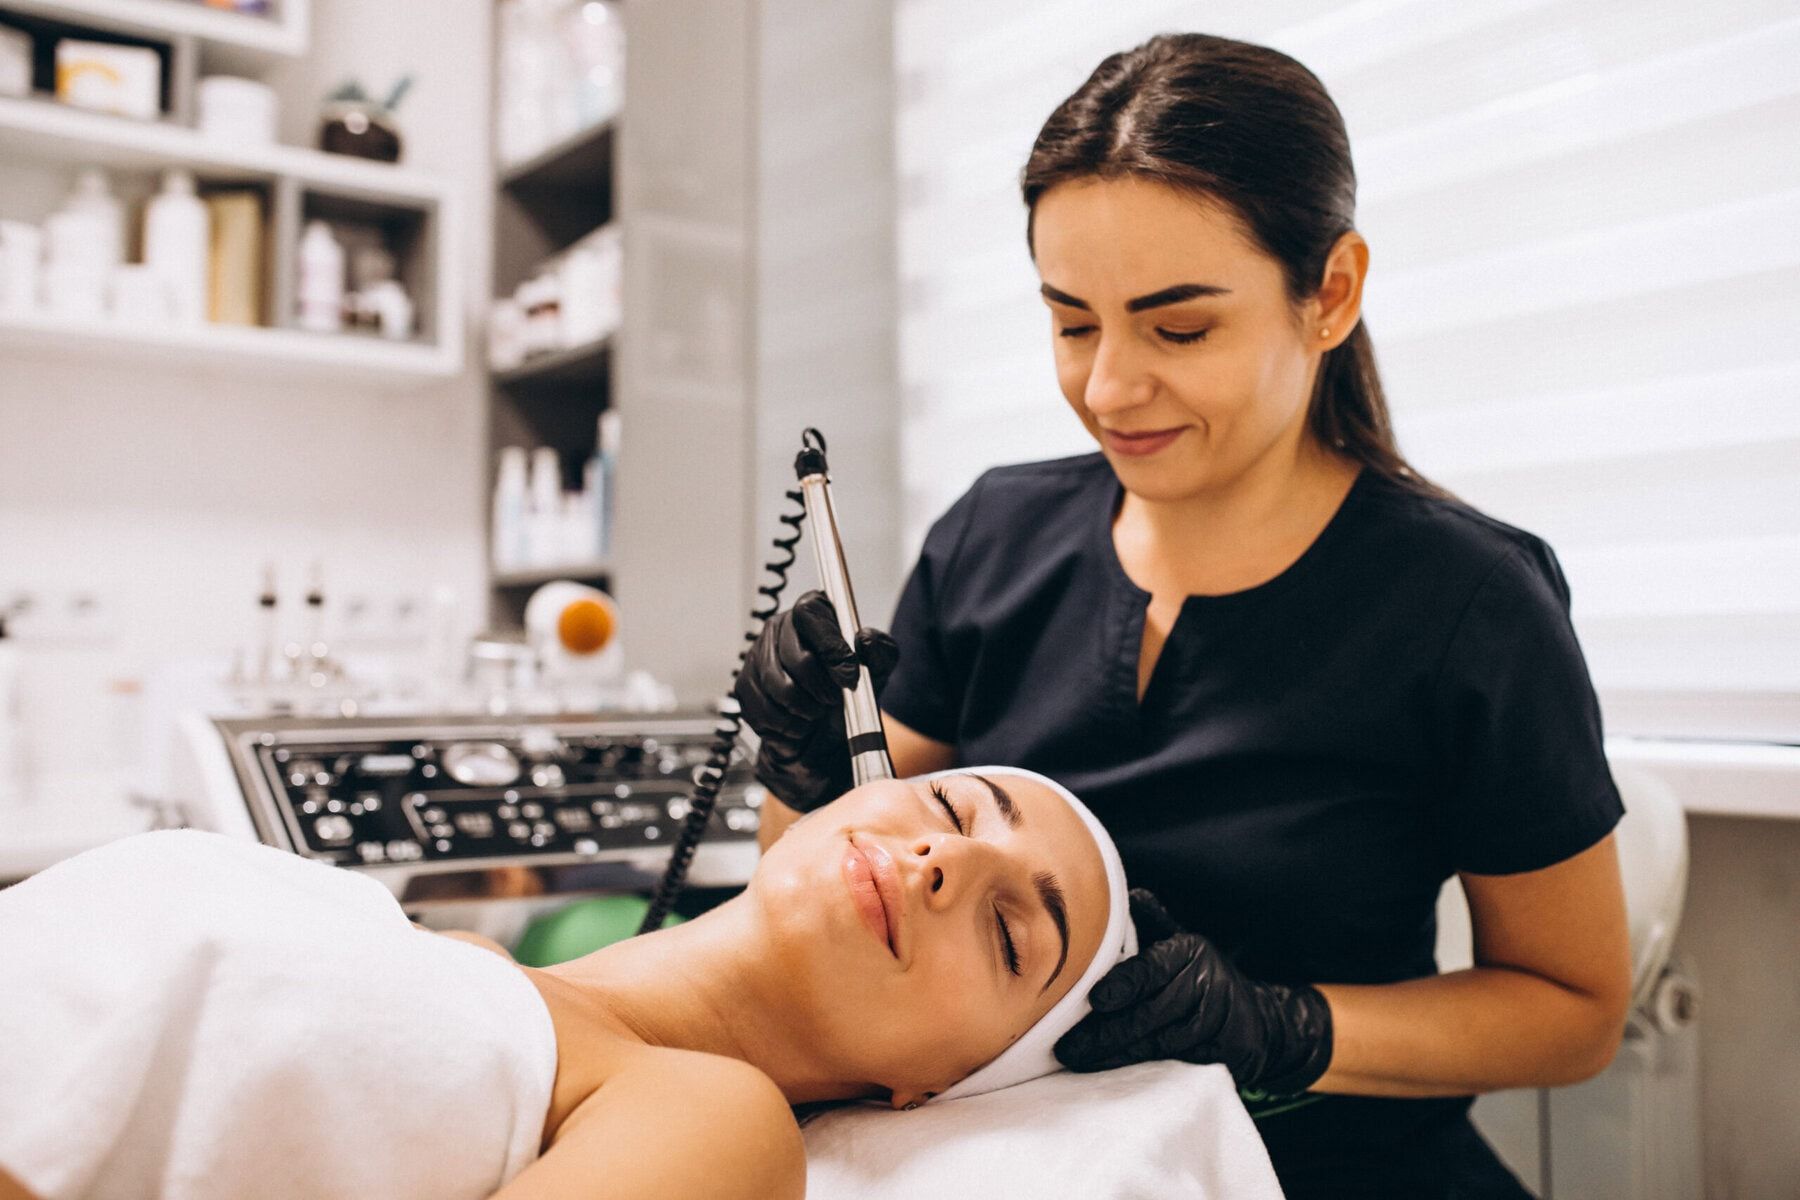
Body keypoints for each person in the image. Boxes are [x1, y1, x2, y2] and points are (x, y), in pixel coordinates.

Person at [734, 31, 1632, 1200]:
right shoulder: (992, 540)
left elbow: (1572, 1014)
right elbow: (836, 928)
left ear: (1332, 294)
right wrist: (802, 776)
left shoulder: (1471, 608)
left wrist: (1284, 1030)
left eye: (1179, 327)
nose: (1108, 388)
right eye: (1071, 322)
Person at [0, 768, 1127, 1200]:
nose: (948, 861)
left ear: (926, 1090)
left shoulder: (710, 1118)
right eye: (949, 807)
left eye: (1010, 933)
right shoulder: (403, 937)